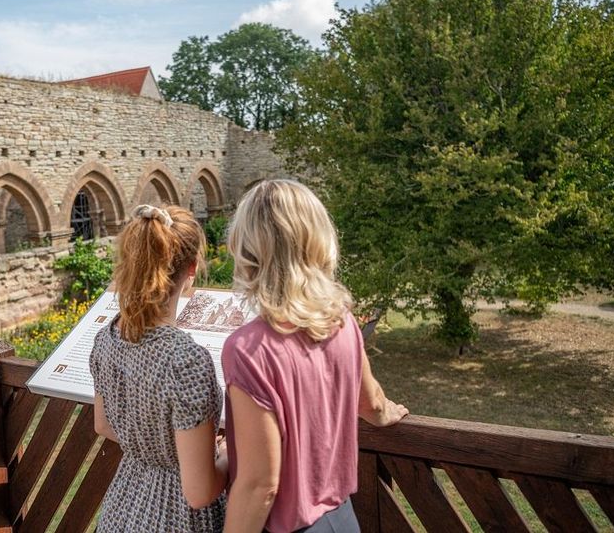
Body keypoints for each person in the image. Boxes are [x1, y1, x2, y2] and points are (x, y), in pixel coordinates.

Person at [222, 180, 409, 533]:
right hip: (341, 519)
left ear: (247, 250)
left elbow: (261, 484)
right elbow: (370, 404)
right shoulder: (343, 323)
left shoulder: (248, 350)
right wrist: (389, 412)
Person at [90, 204, 228, 532]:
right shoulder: (186, 361)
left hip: (124, 506)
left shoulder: (106, 339)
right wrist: (227, 453)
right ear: (192, 268)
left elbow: (103, 426)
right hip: (178, 517)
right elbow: (200, 492)